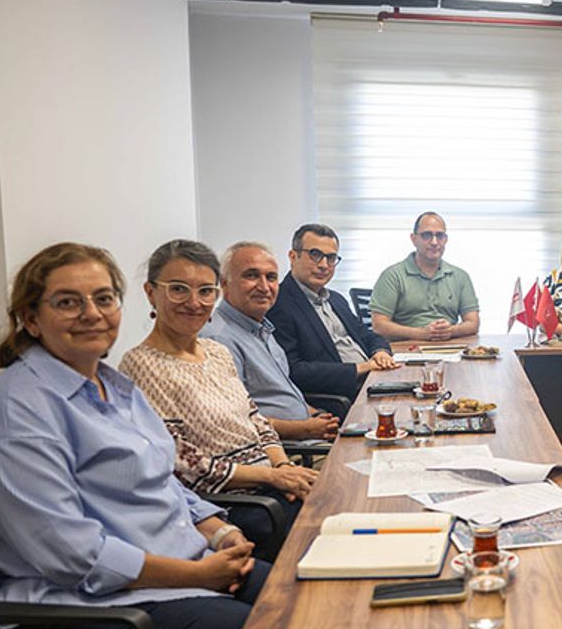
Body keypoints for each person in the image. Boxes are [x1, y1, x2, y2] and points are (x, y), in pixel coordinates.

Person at [0, 242, 266, 629]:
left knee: (304, 597)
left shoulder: (114, 387)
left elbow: (164, 481)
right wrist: (199, 574)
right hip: (86, 614)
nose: (92, 313)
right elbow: (72, 555)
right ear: (30, 318)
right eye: (68, 302)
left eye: (103, 298)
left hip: (181, 570)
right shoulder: (15, 414)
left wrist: (221, 533)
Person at [120, 240, 317, 561]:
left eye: (205, 291)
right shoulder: (141, 364)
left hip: (273, 484)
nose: (194, 303)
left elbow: (256, 420)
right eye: (178, 290)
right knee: (332, 526)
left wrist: (283, 466)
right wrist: (273, 476)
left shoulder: (217, 352)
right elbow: (183, 464)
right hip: (234, 505)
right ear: (150, 292)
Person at [202, 241, 340, 441]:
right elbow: (232, 421)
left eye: (271, 277)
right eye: (251, 276)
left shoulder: (262, 328)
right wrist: (305, 429)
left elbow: (280, 392)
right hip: (283, 449)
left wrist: (315, 414)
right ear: (225, 284)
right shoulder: (218, 340)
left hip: (309, 437)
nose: (264, 287)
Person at [268, 223, 399, 405]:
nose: (324, 265)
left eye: (331, 258)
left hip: (374, 381)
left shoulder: (336, 299)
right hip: (345, 397)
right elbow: (293, 370)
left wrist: (380, 352)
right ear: (293, 256)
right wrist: (360, 368)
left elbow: (366, 335)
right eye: (315, 255)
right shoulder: (278, 303)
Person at [369, 211, 480, 342]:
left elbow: (473, 323)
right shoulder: (393, 276)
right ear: (414, 239)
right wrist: (421, 333)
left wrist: (450, 331)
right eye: (427, 235)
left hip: (450, 347)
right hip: (406, 348)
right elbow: (379, 326)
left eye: (440, 236)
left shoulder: (460, 276)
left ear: (446, 239)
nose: (434, 242)